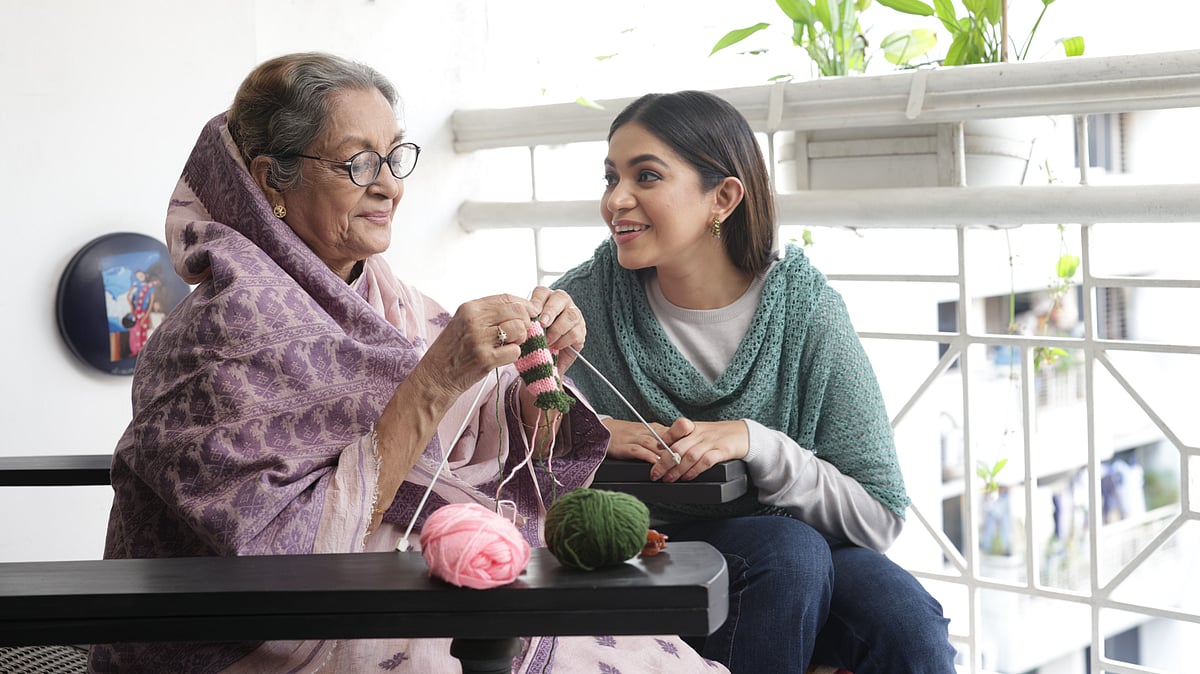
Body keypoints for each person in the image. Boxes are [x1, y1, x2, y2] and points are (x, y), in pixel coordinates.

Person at [89, 54, 726, 674]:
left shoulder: (379, 294)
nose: (390, 184)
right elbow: (280, 557)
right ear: (271, 178)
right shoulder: (219, 334)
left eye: (395, 156)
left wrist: (539, 380)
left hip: (398, 580)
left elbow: (480, 441)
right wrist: (439, 376)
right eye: (358, 162)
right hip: (281, 632)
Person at [551, 90, 958, 673]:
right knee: (789, 554)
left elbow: (879, 516)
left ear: (724, 197)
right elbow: (517, 458)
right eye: (611, 177)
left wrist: (758, 443)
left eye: (646, 176)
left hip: (808, 546)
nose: (616, 199)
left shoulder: (804, 310)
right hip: (647, 548)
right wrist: (594, 430)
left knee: (907, 626)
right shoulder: (584, 302)